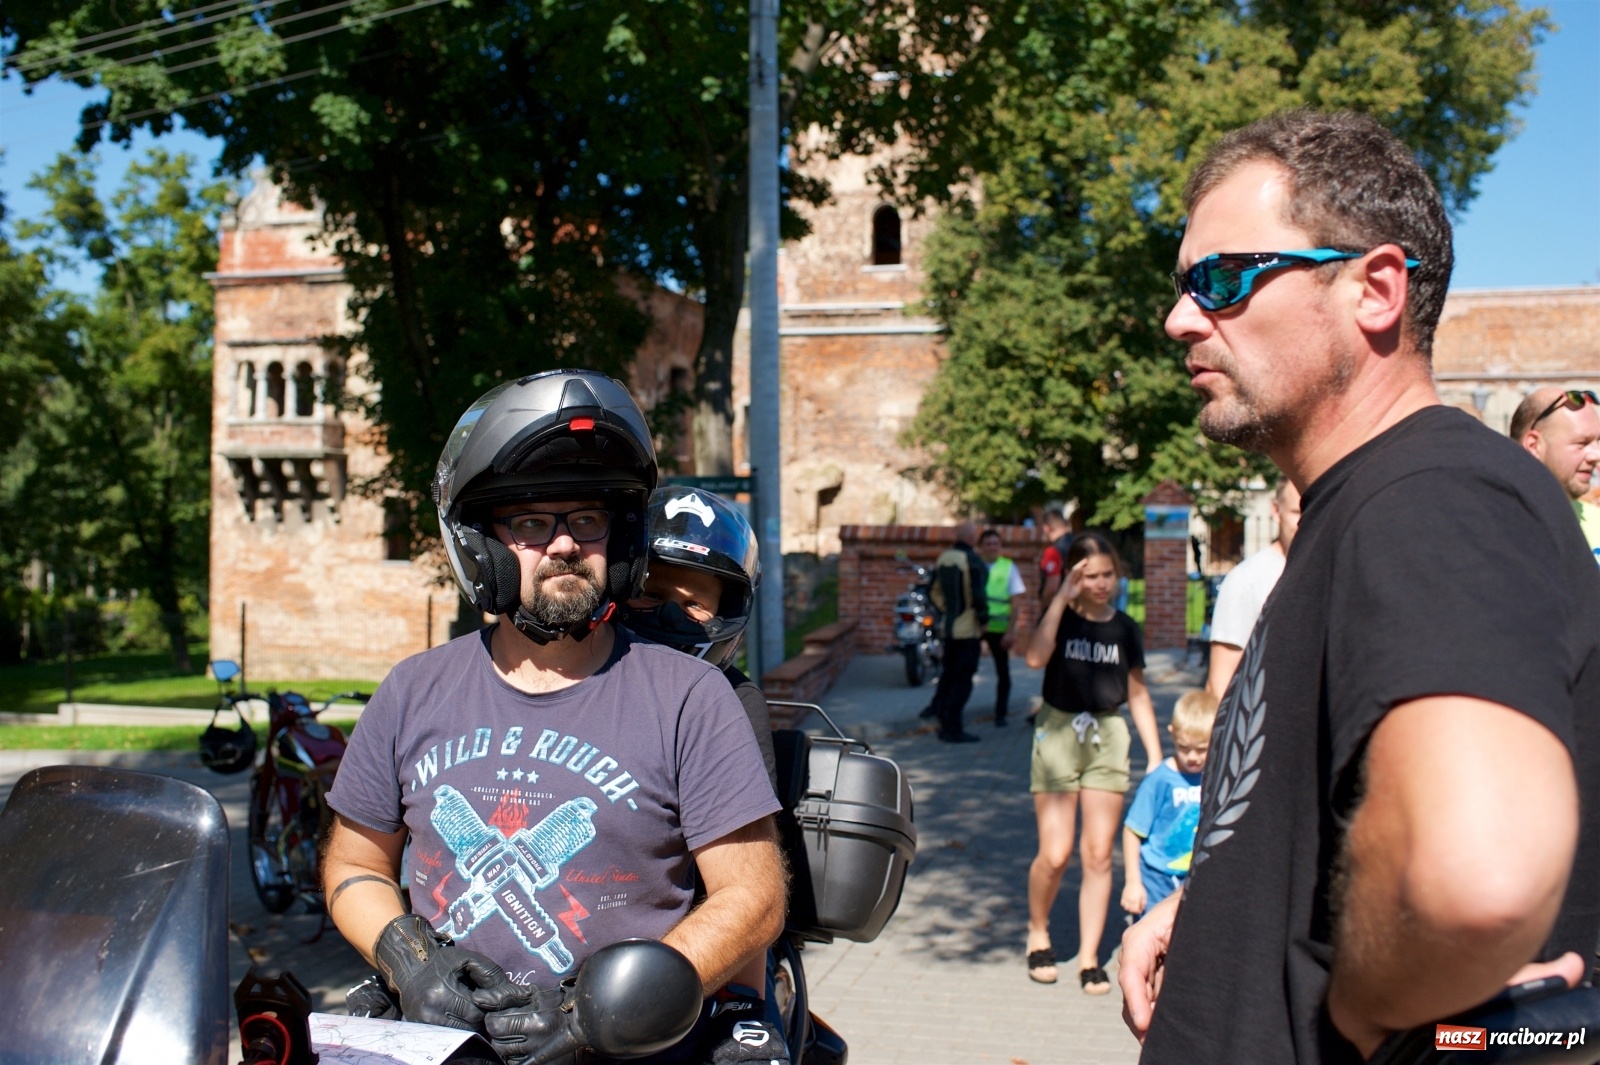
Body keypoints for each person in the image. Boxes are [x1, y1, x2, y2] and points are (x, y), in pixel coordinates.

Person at [1122, 109, 1600, 1064]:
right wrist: (1213, 905)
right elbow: (1322, 807)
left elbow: (1477, 875)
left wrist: (1362, 1012)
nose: (1180, 318)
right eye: (1181, 286)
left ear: (1377, 289)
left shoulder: (1431, 496)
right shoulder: (1365, 507)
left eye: (1220, 280)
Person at [322, 370, 787, 1064]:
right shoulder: (412, 690)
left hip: (633, 1048)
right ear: (482, 544)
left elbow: (753, 896)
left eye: (588, 521)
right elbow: (353, 863)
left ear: (619, 537)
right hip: (444, 1045)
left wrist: (595, 1018)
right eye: (532, 522)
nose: (565, 544)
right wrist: (411, 960)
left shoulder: (690, 697)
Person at [1022, 531, 1162, 993]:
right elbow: (1034, 658)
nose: (1102, 584)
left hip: (1108, 736)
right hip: (1060, 732)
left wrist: (1157, 758)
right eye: (1092, 575)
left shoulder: (1124, 628)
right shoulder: (1060, 618)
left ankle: (1088, 956)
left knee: (1099, 854)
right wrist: (1062, 596)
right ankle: (1038, 931)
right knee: (1057, 852)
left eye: (1108, 575)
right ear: (1075, 575)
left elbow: (1138, 693)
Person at [1120, 689, 1217, 917]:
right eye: (1184, 747)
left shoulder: (1215, 776)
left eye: (1202, 749)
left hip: (1198, 876)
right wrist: (1133, 882)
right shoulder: (1160, 779)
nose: (1192, 757)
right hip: (1157, 878)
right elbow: (1132, 830)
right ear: (1172, 734)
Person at [1206, 479, 1301, 698]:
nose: (1306, 520)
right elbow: (1220, 684)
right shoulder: (1246, 580)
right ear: (1276, 511)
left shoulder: (1335, 567)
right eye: (1297, 512)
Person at [1511, 387, 1600, 567]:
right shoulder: (1496, 524)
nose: (1596, 455)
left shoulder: (1595, 520)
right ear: (1534, 445)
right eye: (1581, 444)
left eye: (1598, 442)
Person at [926, 520, 989, 743]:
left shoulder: (944, 558)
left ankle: (943, 719)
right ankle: (952, 728)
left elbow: (932, 590)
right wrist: (983, 620)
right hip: (967, 630)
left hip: (948, 628)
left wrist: (947, 610)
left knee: (949, 674)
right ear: (971, 537)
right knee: (962, 681)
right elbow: (978, 595)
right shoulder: (972, 560)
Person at [977, 527, 1026, 727]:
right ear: (981, 547)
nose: (992, 548)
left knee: (1003, 673)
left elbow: (1016, 603)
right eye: (988, 544)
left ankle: (1001, 713)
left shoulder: (1008, 567)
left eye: (995, 544)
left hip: (999, 628)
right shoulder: (975, 565)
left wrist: (1010, 631)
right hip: (977, 627)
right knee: (961, 670)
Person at [1037, 507, 1074, 602]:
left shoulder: (1053, 552)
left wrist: (1046, 606)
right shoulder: (1081, 544)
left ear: (1046, 528)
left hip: (1061, 608)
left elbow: (1051, 588)